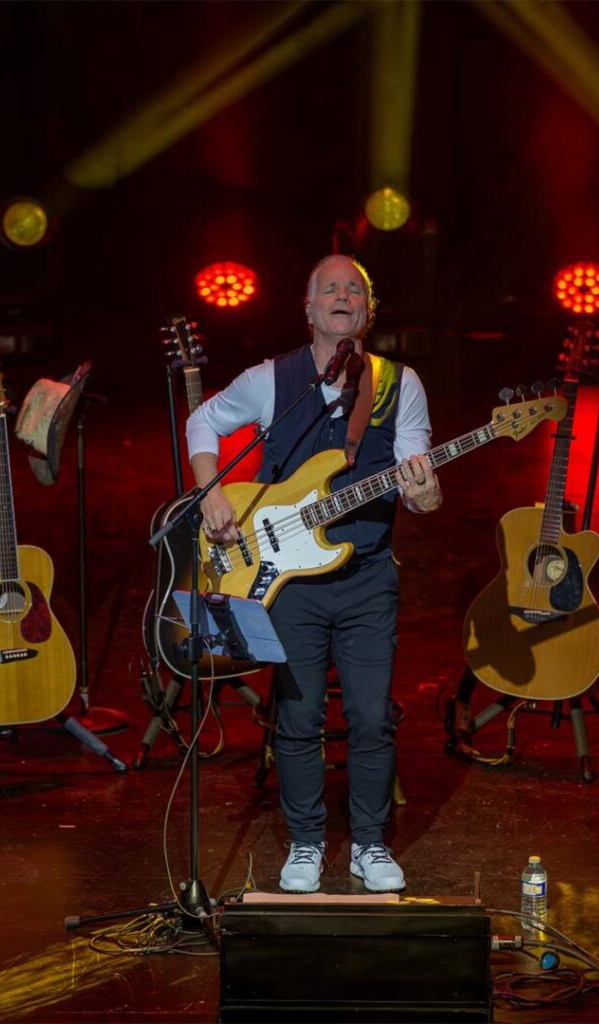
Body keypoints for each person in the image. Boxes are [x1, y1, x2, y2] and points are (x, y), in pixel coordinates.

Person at [186, 254, 441, 893]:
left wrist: (424, 494)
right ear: (307, 309)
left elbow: (416, 483)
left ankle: (369, 845)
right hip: (285, 578)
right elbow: (202, 421)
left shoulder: (399, 383)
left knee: (371, 716)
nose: (342, 294)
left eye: (355, 287)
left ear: (368, 310)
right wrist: (212, 488)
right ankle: (304, 843)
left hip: (367, 577)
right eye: (329, 287)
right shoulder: (273, 378)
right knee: (297, 719)